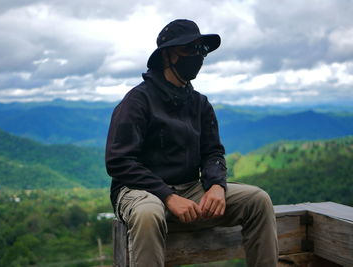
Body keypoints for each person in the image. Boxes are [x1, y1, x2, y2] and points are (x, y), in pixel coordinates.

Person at [105, 19, 278, 267]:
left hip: (188, 189)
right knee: (148, 213)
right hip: (138, 190)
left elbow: (213, 152)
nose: (197, 56)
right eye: (189, 49)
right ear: (168, 56)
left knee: (257, 200)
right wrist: (167, 196)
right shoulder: (137, 101)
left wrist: (217, 185)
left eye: (202, 50)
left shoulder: (199, 104)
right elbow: (118, 161)